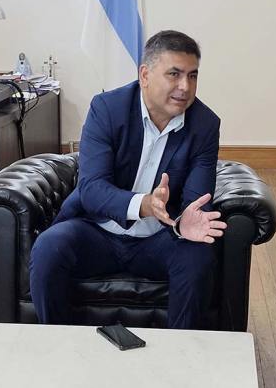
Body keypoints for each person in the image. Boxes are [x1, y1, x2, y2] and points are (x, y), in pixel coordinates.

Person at [29, 30, 226, 329]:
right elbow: (92, 189)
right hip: (97, 231)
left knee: (197, 257)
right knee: (49, 247)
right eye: (174, 74)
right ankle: (62, 346)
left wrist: (184, 221)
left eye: (192, 76)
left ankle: (180, 352)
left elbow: (196, 200)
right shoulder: (108, 109)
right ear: (145, 75)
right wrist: (144, 205)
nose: (185, 87)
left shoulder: (204, 125)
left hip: (160, 238)